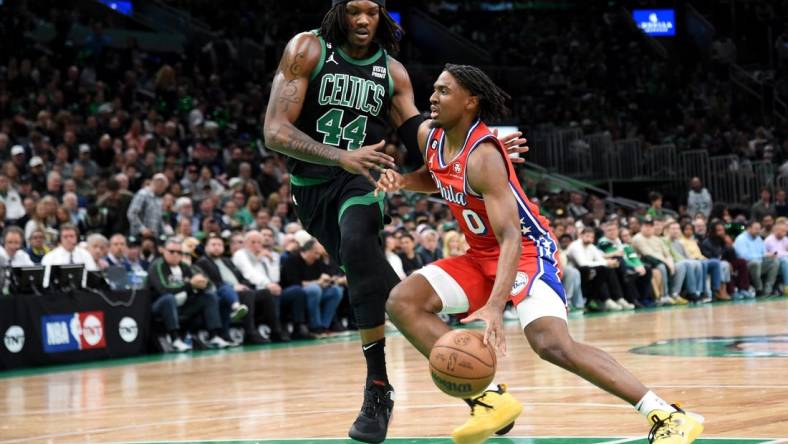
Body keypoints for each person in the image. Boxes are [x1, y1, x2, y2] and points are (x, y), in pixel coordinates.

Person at [376, 64, 703, 444]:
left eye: (444, 91)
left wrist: (496, 306)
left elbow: (511, 236)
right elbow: (436, 175)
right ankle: (488, 401)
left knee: (551, 343)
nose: (432, 97)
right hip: (480, 253)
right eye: (433, 89)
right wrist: (402, 182)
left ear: (470, 101)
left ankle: (665, 414)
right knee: (403, 302)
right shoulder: (429, 136)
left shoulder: (484, 156)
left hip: (526, 250)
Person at [262, 1, 527, 440]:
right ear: (338, 13)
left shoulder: (393, 72)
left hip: (363, 182)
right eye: (353, 12)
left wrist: (481, 148)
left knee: (360, 245)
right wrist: (339, 156)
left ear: (383, 16)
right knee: (382, 287)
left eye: (371, 12)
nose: (363, 21)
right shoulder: (307, 49)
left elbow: (421, 134)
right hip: (312, 189)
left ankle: (378, 388)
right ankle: (482, 391)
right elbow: (275, 130)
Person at [147, 238, 230, 352]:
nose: (175, 255)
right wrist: (190, 285)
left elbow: (207, 283)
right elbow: (164, 289)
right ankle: (175, 339)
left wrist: (202, 284)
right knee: (168, 298)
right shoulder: (157, 266)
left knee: (209, 297)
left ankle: (214, 336)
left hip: (182, 305)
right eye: (172, 251)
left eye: (179, 252)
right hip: (158, 306)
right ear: (163, 251)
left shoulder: (185, 267)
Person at [194, 235, 273, 345]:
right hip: (220, 292)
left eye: (219, 245)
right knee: (242, 293)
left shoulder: (227, 260)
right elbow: (210, 283)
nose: (217, 247)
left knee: (267, 293)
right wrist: (233, 286)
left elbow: (241, 278)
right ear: (206, 247)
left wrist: (245, 285)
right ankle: (249, 332)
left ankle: (276, 331)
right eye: (213, 245)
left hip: (239, 290)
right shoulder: (202, 262)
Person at [734, 221, 780, 296]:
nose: (758, 231)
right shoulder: (741, 239)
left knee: (775, 261)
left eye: (759, 229)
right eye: (756, 229)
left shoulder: (758, 238)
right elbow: (744, 256)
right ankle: (759, 289)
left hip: (760, 263)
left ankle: (768, 290)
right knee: (755, 263)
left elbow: (764, 252)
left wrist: (769, 255)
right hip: (746, 266)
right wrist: (762, 256)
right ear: (749, 228)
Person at [127, 173, 168, 239]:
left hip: (153, 238)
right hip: (139, 236)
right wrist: (142, 229)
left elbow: (159, 220)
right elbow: (131, 213)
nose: (163, 191)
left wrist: (164, 235)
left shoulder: (158, 200)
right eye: (164, 188)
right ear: (159, 183)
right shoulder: (143, 194)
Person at [764, 220, 787, 294]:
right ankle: (787, 285)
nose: (785, 233)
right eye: (783, 231)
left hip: (784, 260)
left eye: (786, 231)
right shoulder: (769, 240)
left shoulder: (785, 239)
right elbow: (766, 253)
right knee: (785, 261)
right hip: (774, 263)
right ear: (776, 230)